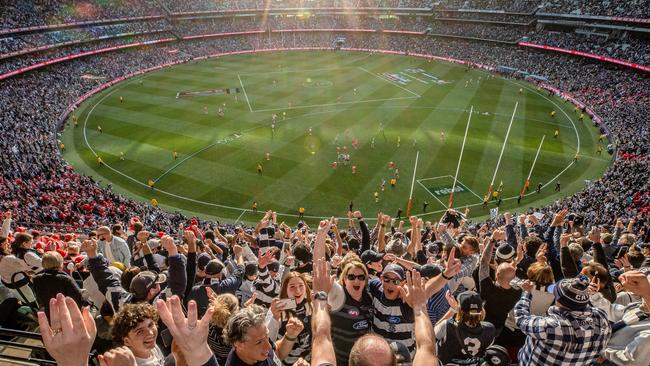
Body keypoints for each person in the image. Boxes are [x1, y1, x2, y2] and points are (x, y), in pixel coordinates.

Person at [515, 275, 611, 365]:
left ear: (559, 301)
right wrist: (581, 294)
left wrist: (527, 293)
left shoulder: (552, 326)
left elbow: (521, 319)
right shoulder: (601, 317)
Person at [435, 291, 496, 365]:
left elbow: (432, 333)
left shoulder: (447, 325)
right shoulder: (490, 329)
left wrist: (453, 310)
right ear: (481, 309)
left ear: (460, 309)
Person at [268, 272, 313, 365]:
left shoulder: (311, 305)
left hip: (309, 360)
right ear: (285, 290)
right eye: (292, 287)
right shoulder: (277, 309)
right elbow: (268, 341)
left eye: (301, 285)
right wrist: (274, 317)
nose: (298, 290)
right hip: (286, 362)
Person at [33, 251, 84, 320]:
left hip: (50, 313)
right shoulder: (65, 278)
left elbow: (38, 296)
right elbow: (78, 296)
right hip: (67, 313)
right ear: (60, 263)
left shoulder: (37, 278)